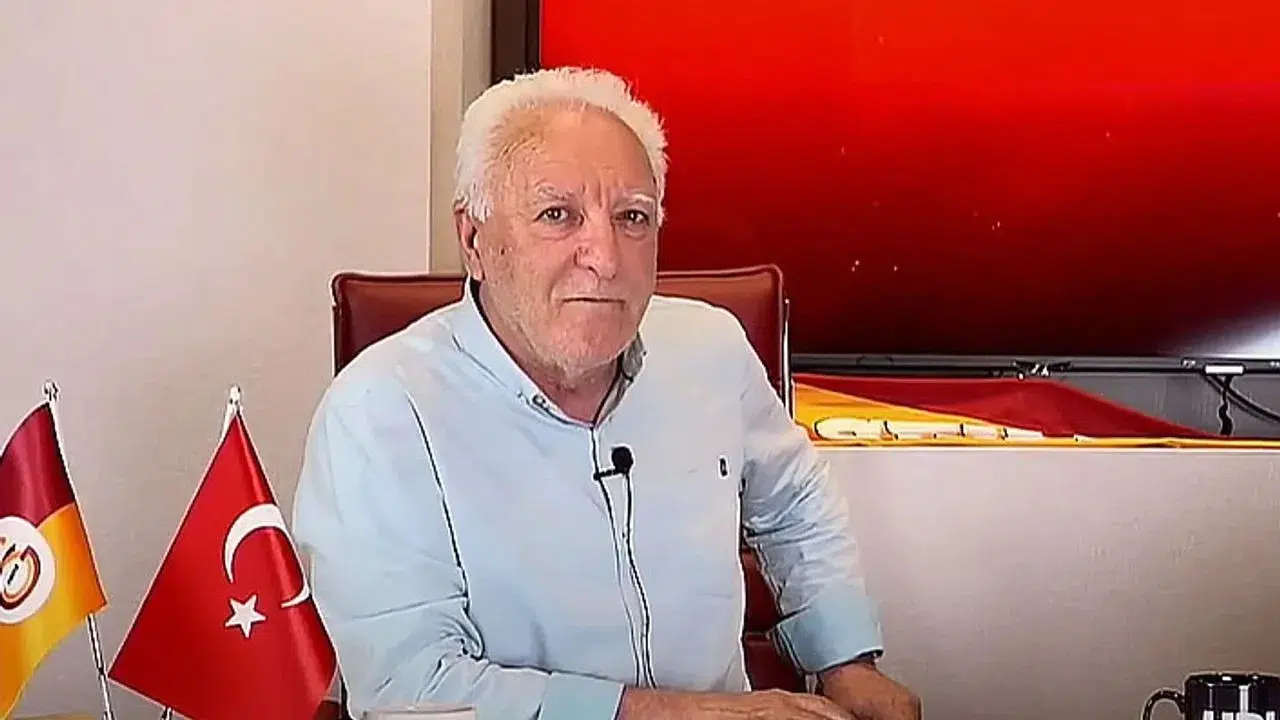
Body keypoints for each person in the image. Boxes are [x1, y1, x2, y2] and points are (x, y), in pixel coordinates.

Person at [292, 67, 920, 720]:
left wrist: (845, 660)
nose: (606, 257)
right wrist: (679, 715)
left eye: (632, 217)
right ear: (474, 240)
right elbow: (409, 688)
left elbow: (794, 503)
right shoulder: (379, 412)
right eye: (557, 215)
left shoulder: (711, 348)